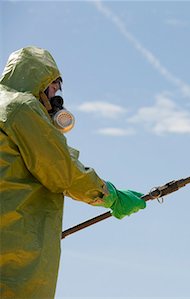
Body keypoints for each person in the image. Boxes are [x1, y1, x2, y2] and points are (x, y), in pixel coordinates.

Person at [0, 46, 146, 298]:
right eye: (54, 87)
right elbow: (61, 171)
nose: (57, 95)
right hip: (15, 249)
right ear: (39, 80)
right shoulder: (22, 108)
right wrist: (109, 195)